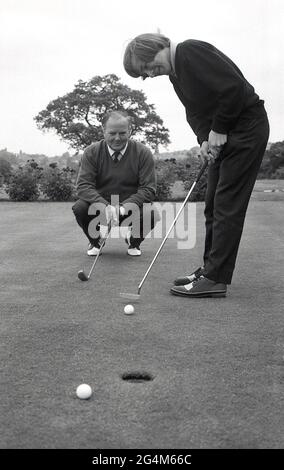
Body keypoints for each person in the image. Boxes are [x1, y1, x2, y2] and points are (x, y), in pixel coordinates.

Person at [123, 33, 269, 297]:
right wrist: (204, 138)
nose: (149, 73)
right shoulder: (176, 75)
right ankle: (209, 268)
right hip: (225, 134)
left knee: (227, 204)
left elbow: (233, 88)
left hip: (247, 128)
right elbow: (195, 112)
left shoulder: (191, 52)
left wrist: (220, 128)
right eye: (144, 73)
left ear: (156, 47)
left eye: (146, 65)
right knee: (213, 202)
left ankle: (215, 279)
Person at [72, 110, 160, 257]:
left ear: (130, 131)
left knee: (151, 213)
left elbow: (148, 189)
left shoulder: (143, 152)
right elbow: (83, 186)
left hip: (130, 209)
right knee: (80, 207)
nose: (117, 138)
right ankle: (96, 241)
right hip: (100, 210)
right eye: (112, 133)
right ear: (103, 131)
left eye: (122, 133)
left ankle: (133, 241)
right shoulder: (91, 152)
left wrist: (123, 208)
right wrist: (105, 206)